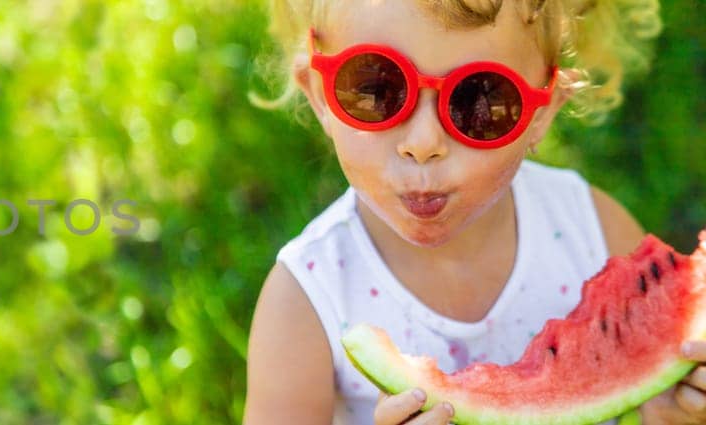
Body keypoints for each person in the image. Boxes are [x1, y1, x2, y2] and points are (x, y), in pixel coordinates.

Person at [240, 0, 701, 423]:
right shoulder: (306, 301)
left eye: (480, 102)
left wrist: (664, 411)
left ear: (541, 114)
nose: (423, 145)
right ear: (319, 94)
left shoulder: (592, 229)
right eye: (376, 89)